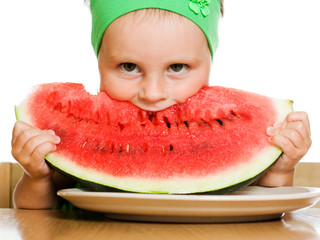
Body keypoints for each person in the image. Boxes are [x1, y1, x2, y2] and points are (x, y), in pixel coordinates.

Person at [11, 0, 311, 209]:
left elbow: (270, 212)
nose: (153, 93)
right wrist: (37, 177)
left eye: (177, 67)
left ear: (209, 63)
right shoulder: (66, 142)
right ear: (99, 62)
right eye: (129, 67)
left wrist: (279, 170)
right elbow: (34, 213)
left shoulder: (245, 143)